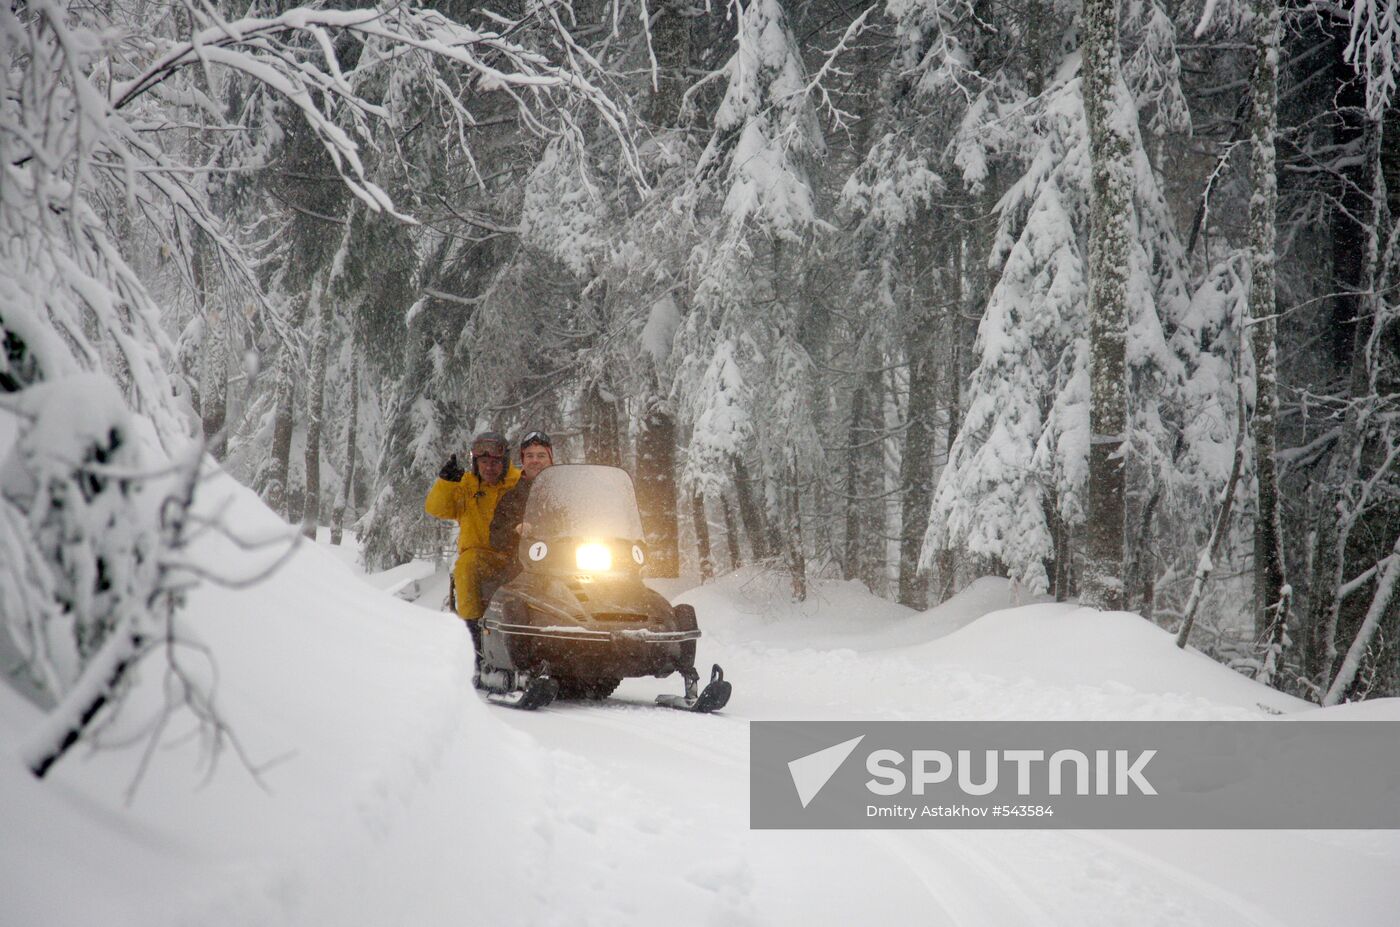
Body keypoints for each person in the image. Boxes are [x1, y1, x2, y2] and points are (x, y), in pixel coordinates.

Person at [425, 431, 521, 663]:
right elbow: (437, 508)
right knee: (467, 566)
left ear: (505, 462)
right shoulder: (467, 486)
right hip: (481, 560)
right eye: (484, 462)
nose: (489, 468)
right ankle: (473, 640)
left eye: (495, 462)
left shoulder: (519, 483)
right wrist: (446, 483)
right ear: (476, 463)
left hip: (519, 558)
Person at [489, 431, 554, 581]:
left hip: (566, 560)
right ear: (523, 461)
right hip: (522, 565)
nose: (535, 460)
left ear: (551, 459)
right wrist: (515, 530)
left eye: (541, 456)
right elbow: (495, 536)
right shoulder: (511, 497)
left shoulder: (564, 492)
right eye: (530, 456)